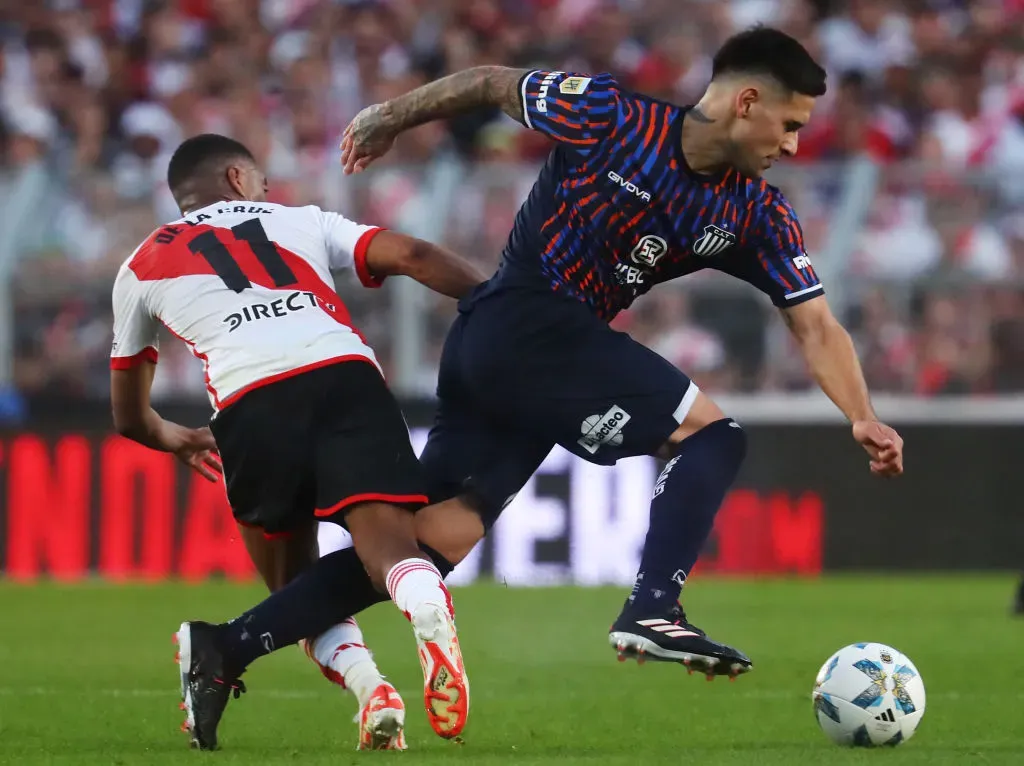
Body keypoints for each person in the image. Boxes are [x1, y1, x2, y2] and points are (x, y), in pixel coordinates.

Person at [191, 26, 906, 714]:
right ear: (746, 102)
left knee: (433, 545)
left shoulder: (755, 213)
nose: (793, 143)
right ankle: (655, 606)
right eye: (788, 124)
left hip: (513, 351)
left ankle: (225, 647)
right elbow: (486, 82)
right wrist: (388, 117)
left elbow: (813, 321)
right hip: (523, 318)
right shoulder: (611, 115)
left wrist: (861, 412)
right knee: (714, 437)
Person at [109, 134, 484, 750]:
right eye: (260, 181)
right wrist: (497, 301)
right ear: (237, 177)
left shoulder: (141, 264)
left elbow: (129, 416)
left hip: (250, 404)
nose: (265, 191)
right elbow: (412, 254)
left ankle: (372, 688)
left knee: (293, 588)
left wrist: (176, 437)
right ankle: (424, 605)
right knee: (390, 554)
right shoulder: (299, 219)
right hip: (346, 378)